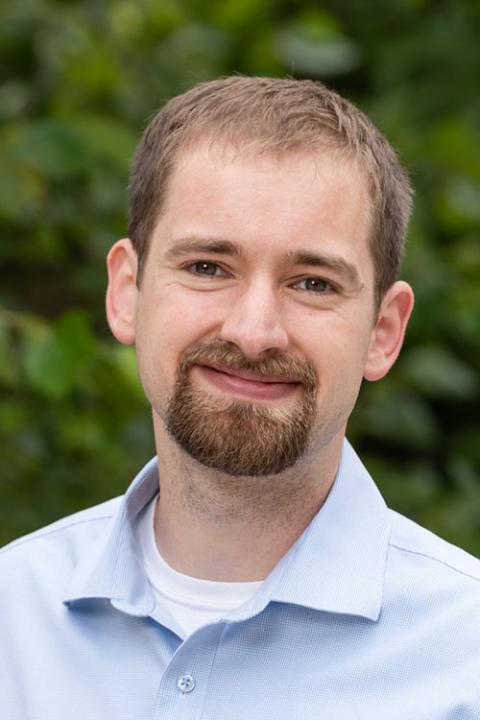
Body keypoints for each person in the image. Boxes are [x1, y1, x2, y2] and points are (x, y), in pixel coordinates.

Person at [1, 76, 479, 720]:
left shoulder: (464, 655)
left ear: (383, 331)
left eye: (312, 282)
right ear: (127, 292)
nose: (253, 332)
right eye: (207, 268)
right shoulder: (12, 619)